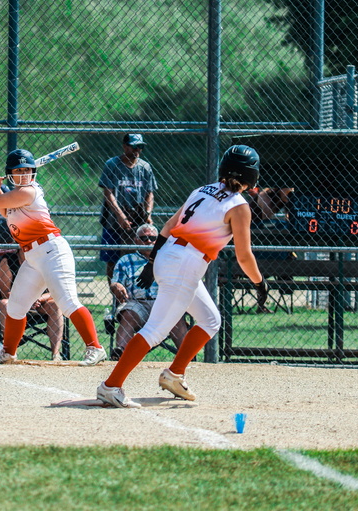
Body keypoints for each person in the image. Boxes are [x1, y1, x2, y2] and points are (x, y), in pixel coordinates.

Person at [96, 145, 268, 408]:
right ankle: (111, 386)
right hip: (186, 264)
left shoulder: (201, 190)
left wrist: (152, 261)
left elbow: (167, 227)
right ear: (251, 176)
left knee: (210, 320)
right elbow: (244, 256)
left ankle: (174, 375)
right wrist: (260, 282)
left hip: (170, 255)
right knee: (154, 331)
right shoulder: (239, 205)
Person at [0, 148, 107, 366]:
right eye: (19, 170)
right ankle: (8, 352)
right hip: (33, 256)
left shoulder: (29, 191)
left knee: (67, 303)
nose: (24, 174)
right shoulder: (17, 194)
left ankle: (95, 347)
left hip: (52, 251)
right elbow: (5, 210)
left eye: (28, 170)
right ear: (10, 173)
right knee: (16, 306)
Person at [109, 224, 187, 360]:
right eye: (144, 238)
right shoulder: (126, 260)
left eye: (152, 238)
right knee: (128, 314)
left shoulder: (168, 258)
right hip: (137, 304)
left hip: (163, 303)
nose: (149, 241)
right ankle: (120, 354)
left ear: (158, 240)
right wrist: (116, 286)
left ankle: (187, 357)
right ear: (136, 240)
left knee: (175, 316)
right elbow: (117, 282)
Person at [98, 134, 157, 280]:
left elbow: (150, 193)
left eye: (140, 147)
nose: (137, 150)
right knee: (112, 259)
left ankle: (134, 291)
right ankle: (116, 296)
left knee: (139, 256)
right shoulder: (112, 165)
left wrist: (148, 213)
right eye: (134, 146)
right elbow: (108, 192)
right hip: (113, 219)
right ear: (125, 146)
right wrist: (120, 215)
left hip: (137, 218)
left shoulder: (145, 167)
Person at [0, 253, 64, 361]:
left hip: (39, 303)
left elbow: (54, 290)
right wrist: (26, 300)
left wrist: (39, 299)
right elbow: (5, 292)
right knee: (5, 303)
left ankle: (56, 354)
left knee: (55, 305)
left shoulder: (45, 260)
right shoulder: (8, 260)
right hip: (15, 302)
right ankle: (9, 352)